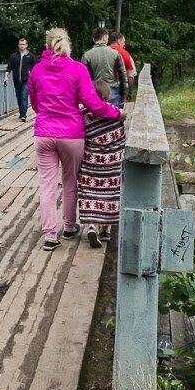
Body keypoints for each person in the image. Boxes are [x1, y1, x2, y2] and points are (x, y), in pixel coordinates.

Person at [28, 27, 125, 251]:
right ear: (67, 45)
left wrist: (47, 113)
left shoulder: (36, 71)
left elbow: (35, 104)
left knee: (47, 185)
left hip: (43, 133)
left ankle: (50, 235)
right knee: (70, 181)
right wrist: (116, 113)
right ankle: (70, 226)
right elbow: (93, 104)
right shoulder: (77, 70)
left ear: (47, 46)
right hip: (71, 135)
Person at [78, 80, 126, 247]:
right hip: (111, 164)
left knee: (90, 192)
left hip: (91, 162)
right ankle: (105, 230)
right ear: (107, 96)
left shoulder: (83, 115)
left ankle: (91, 225)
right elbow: (121, 135)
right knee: (110, 193)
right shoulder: (115, 113)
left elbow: (80, 137)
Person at [82, 27, 128, 108]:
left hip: (95, 92)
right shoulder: (115, 54)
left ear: (93, 39)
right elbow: (123, 75)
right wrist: (124, 94)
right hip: (112, 90)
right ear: (104, 38)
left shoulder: (87, 56)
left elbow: (83, 78)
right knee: (115, 117)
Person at [4, 38, 37, 122]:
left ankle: (23, 115)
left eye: (23, 44)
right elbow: (9, 68)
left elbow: (35, 69)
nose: (22, 46)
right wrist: (6, 77)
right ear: (18, 45)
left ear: (26, 45)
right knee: (19, 96)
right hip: (16, 80)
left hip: (27, 80)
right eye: (20, 44)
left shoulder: (31, 56)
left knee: (24, 96)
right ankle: (21, 112)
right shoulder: (14, 56)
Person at [108, 32, 136, 100]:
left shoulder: (101, 51)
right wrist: (129, 93)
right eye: (123, 42)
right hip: (117, 87)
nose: (124, 44)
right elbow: (130, 76)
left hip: (99, 86)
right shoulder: (125, 54)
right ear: (119, 41)